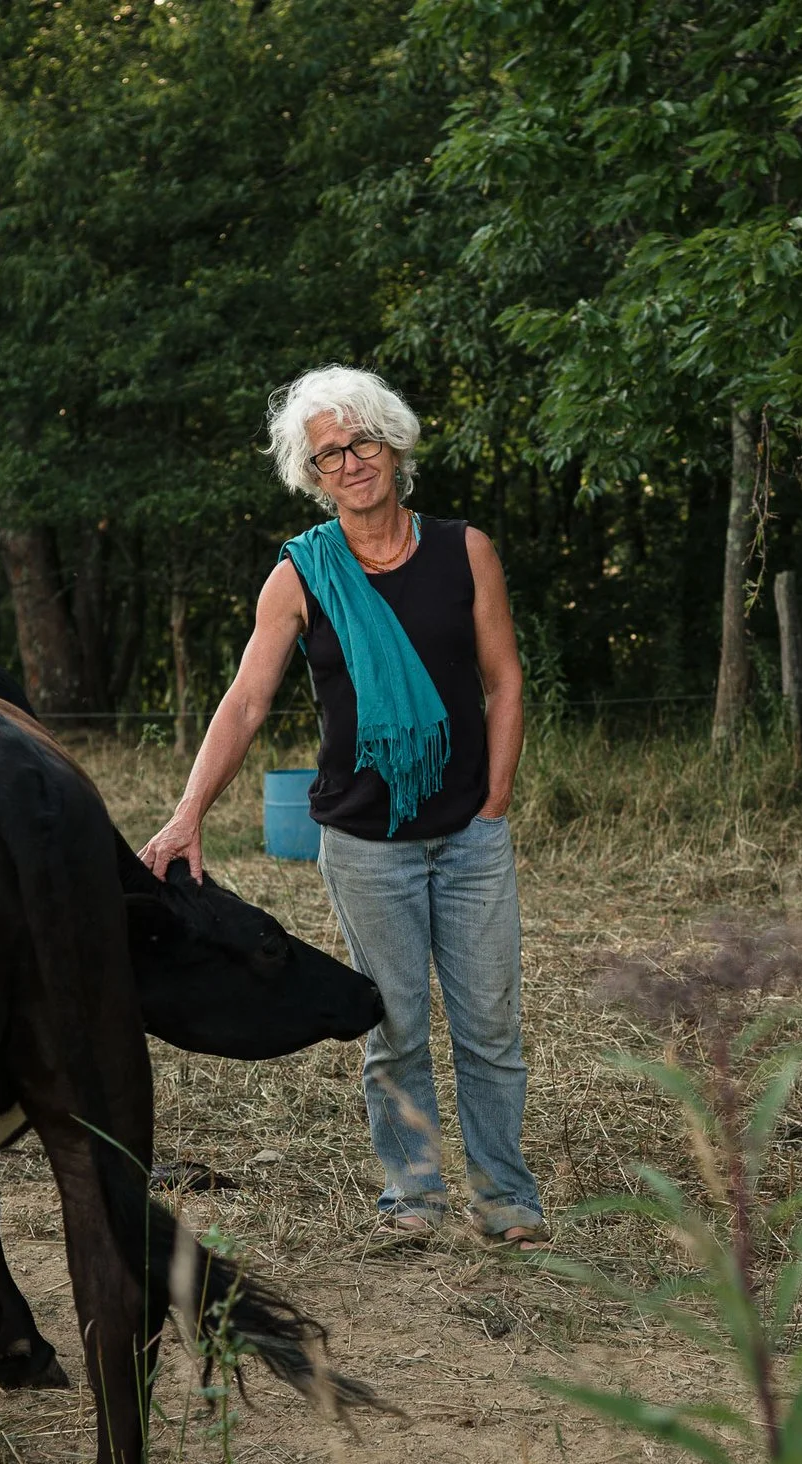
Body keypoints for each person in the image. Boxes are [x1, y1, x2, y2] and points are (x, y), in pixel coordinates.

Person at [138, 366, 545, 1246]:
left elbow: (504, 678)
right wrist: (187, 813)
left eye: (363, 442)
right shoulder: (301, 574)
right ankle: (414, 1196)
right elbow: (246, 702)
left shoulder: (463, 550)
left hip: (469, 837)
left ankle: (506, 1199)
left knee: (489, 1026)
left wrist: (496, 800)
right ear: (313, 475)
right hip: (365, 843)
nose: (352, 463)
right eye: (330, 454)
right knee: (393, 1024)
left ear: (394, 446)